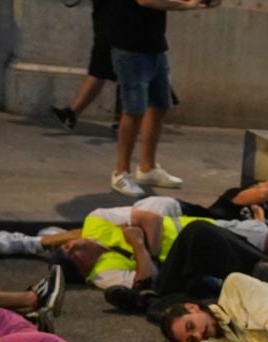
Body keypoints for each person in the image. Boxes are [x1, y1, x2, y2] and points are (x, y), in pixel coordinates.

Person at [108, 0, 209, 197]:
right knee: (134, 110)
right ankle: (121, 173)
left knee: (160, 104)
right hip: (130, 46)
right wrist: (188, 5)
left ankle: (147, 167)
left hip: (155, 46)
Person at [52, 0, 119, 131]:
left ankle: (72, 113)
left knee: (99, 69)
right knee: (99, 69)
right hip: (108, 21)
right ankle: (72, 113)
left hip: (114, 23)